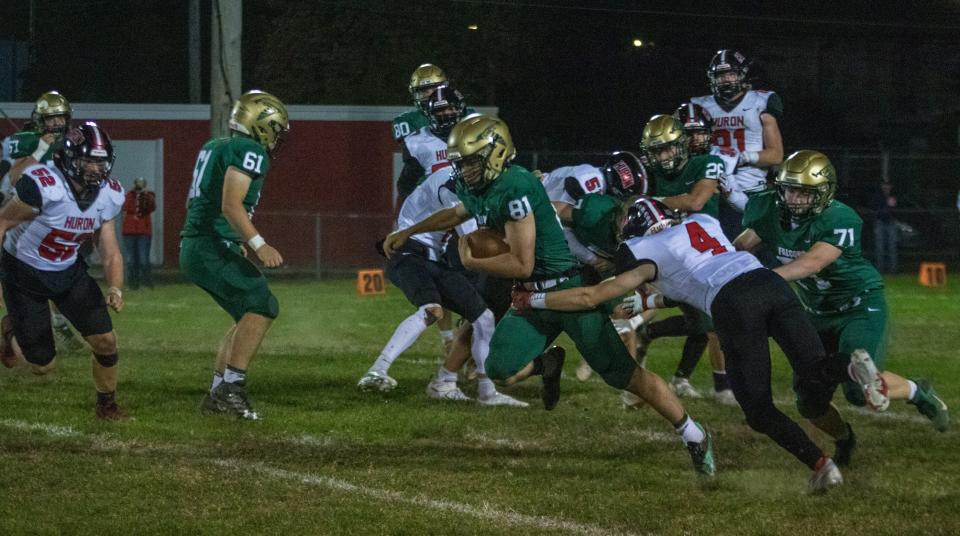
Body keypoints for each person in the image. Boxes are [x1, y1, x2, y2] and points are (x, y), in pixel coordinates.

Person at [383, 114, 716, 478]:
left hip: (566, 290)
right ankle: (548, 364)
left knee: (624, 375)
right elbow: (459, 211)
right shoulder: (479, 185)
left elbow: (523, 264)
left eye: (469, 161)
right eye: (460, 162)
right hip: (530, 296)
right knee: (500, 370)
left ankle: (694, 435)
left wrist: (473, 260)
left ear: (495, 154)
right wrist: (410, 230)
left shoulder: (516, 188)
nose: (464, 170)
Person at [511, 196, 895, 493]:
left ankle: (822, 468)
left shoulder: (643, 252)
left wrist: (535, 300)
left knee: (758, 409)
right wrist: (654, 300)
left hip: (734, 303)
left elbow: (593, 297)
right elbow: (688, 279)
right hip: (768, 282)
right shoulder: (702, 221)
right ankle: (850, 366)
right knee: (814, 369)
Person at [734, 150, 949, 440]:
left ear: (824, 193)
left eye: (803, 192)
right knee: (809, 403)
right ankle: (845, 440)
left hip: (857, 305)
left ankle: (917, 391)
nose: (794, 198)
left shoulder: (840, 217)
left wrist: (761, 279)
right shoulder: (770, 210)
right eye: (789, 190)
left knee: (859, 390)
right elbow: (740, 247)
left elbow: (812, 263)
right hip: (815, 312)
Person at [358, 166, 527, 407]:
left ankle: (473, 389)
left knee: (484, 317)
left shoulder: (455, 177)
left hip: (434, 259)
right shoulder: (452, 187)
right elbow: (476, 240)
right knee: (431, 309)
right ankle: (377, 371)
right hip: (408, 254)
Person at [0, 121, 128, 420]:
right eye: (88, 161)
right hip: (24, 273)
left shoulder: (109, 195)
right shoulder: (44, 185)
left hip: (68, 271)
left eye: (101, 162)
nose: (96, 169)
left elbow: (109, 250)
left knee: (106, 341)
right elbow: (3, 222)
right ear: (68, 158)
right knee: (42, 366)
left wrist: (115, 288)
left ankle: (107, 405)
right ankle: (9, 330)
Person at [180, 90, 289, 421]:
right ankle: (232, 389)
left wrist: (232, 238)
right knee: (262, 304)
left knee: (247, 314)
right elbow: (231, 203)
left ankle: (217, 392)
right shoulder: (248, 148)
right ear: (261, 125)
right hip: (208, 243)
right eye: (276, 127)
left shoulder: (216, 145)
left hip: (202, 243)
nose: (278, 136)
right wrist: (259, 244)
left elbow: (208, 201)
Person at [636, 114, 735, 404]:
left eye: (668, 148)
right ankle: (722, 386)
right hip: (667, 255)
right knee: (710, 321)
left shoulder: (705, 163)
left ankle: (653, 343)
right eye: (656, 151)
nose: (663, 157)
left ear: (681, 146)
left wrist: (651, 203)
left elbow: (695, 202)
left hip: (705, 254)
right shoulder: (649, 175)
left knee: (702, 324)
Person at [539, 151, 653, 381]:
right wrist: (593, 259)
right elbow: (557, 221)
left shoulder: (595, 193)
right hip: (546, 241)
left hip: (556, 239)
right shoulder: (589, 185)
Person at [2, 91, 85, 351]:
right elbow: (15, 178)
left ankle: (23, 325)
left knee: (57, 272)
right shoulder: (26, 140)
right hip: (24, 213)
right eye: (51, 118)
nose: (58, 124)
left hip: (57, 215)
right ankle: (42, 325)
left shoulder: (73, 141)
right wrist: (40, 148)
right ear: (40, 120)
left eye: (61, 117)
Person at [690, 49, 784, 238]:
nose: (726, 80)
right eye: (720, 75)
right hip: (711, 191)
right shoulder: (698, 106)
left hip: (751, 189)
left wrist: (740, 157)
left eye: (731, 74)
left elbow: (776, 155)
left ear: (742, 74)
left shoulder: (761, 101)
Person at [122, 177, 156, 289]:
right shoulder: (129, 195)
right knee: (130, 259)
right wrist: (133, 194)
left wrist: (144, 194)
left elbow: (151, 207)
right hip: (129, 230)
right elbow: (125, 206)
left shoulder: (149, 195)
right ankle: (132, 284)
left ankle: (145, 283)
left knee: (143, 259)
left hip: (143, 231)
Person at [868, 181, 898, 274]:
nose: (886, 187)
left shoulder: (893, 196)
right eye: (884, 185)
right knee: (879, 247)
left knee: (892, 247)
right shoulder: (877, 196)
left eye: (888, 186)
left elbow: (896, 209)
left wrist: (891, 206)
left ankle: (893, 270)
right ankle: (880, 269)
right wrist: (887, 206)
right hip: (880, 222)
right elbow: (874, 208)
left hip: (891, 222)